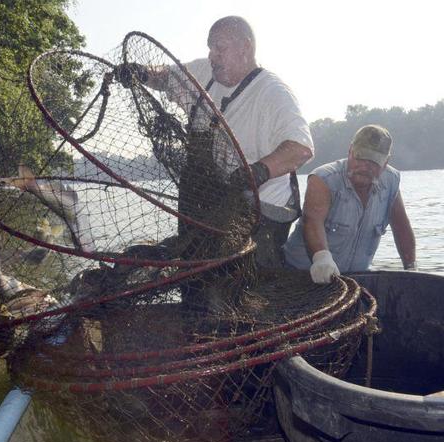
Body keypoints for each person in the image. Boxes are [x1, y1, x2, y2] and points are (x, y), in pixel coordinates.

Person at [116, 16, 314, 267]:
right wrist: (142, 73)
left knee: (242, 283)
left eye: (220, 48)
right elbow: (165, 77)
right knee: (198, 273)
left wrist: (258, 171)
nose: (212, 55)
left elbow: (301, 149)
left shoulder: (273, 93)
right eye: (210, 47)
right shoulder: (204, 74)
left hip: (263, 211)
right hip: (211, 200)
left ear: (245, 47)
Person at [283, 124, 416, 283]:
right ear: (350, 151)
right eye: (360, 157)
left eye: (374, 161)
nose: (365, 166)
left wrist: (411, 268)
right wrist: (321, 257)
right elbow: (312, 221)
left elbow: (401, 227)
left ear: (386, 162)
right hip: (301, 275)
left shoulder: (391, 181)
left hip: (354, 280)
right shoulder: (323, 179)